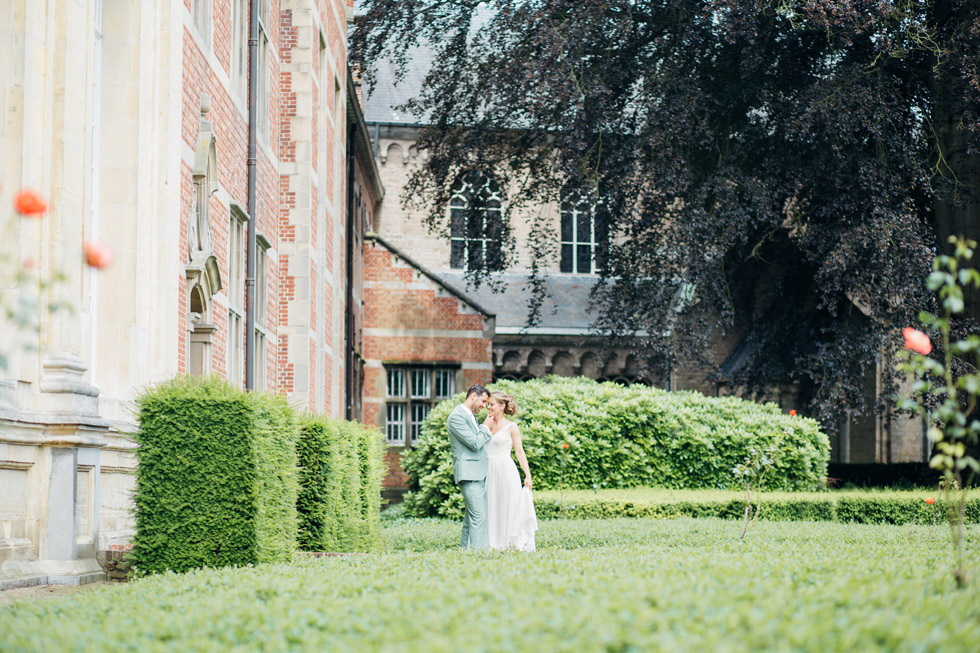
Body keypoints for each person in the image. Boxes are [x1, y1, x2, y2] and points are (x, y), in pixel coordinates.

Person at [484, 391, 537, 551]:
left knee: (507, 504)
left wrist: (528, 475)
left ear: (502, 406)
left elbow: (520, 452)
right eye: (488, 404)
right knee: (491, 504)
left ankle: (507, 542)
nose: (489, 407)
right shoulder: (486, 424)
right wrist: (484, 427)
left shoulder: (511, 427)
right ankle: (491, 542)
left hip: (506, 470)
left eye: (492, 404)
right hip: (488, 470)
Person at [447, 384, 494, 550]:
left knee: (471, 518)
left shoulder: (471, 416)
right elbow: (475, 443)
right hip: (469, 475)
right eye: (483, 401)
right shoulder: (456, 417)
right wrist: (486, 428)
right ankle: (480, 554)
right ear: (473, 396)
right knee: (479, 516)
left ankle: (466, 551)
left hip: (477, 473)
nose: (484, 405)